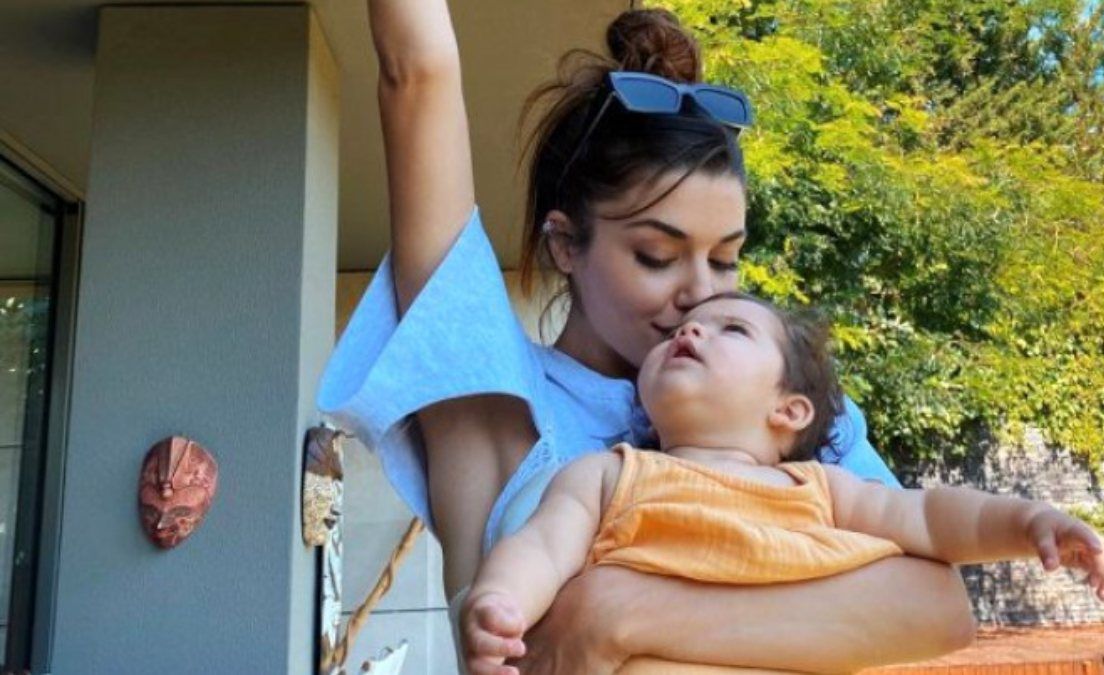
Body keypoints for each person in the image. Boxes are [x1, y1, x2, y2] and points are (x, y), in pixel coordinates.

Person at [317, 2, 977, 672]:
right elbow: (417, 74)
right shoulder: (496, 398)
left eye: (726, 259)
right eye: (657, 257)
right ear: (565, 243)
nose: (701, 293)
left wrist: (618, 611)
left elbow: (939, 606)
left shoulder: (780, 408)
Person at [460, 293, 1104, 675]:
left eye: (732, 329)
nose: (691, 328)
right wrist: (500, 601)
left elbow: (932, 517)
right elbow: (543, 547)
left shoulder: (822, 488)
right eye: (681, 329)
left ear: (789, 409)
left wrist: (1029, 522)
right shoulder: (610, 473)